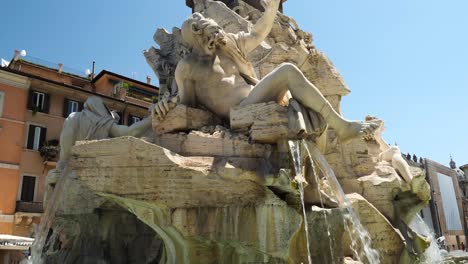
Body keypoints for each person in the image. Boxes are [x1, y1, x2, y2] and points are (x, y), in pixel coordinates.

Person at [153, 0, 378, 142]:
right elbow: (188, 105)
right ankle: (342, 127)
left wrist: (270, 9)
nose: (219, 36)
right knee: (287, 71)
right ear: (200, 36)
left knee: (291, 80)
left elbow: (256, 35)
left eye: (218, 31)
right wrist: (166, 105)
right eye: (213, 33)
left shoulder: (227, 44)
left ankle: (339, 126)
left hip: (254, 96)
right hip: (237, 111)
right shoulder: (188, 67)